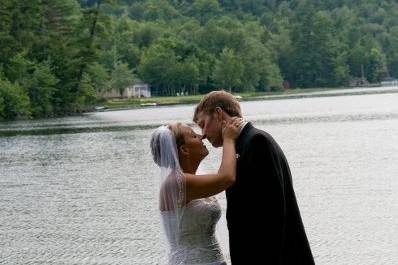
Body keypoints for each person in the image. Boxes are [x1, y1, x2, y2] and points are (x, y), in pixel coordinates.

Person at [193, 91, 315, 265]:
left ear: (219, 114)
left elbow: (272, 215)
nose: (203, 134)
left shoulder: (257, 142)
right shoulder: (242, 143)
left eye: (203, 124)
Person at [150, 117, 244, 265]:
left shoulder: (193, 179)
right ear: (184, 150)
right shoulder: (175, 183)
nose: (202, 136)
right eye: (194, 136)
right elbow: (226, 178)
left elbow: (224, 177)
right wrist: (229, 138)